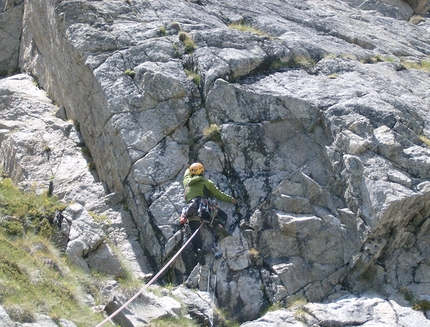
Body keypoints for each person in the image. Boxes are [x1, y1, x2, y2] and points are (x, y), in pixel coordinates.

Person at [182, 162, 237, 265]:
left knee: (195, 231)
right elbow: (218, 194)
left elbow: (186, 174)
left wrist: (188, 168)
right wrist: (231, 199)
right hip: (203, 207)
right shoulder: (207, 182)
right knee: (221, 215)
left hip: (191, 209)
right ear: (202, 171)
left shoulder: (187, 182)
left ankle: (198, 250)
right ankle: (218, 225)